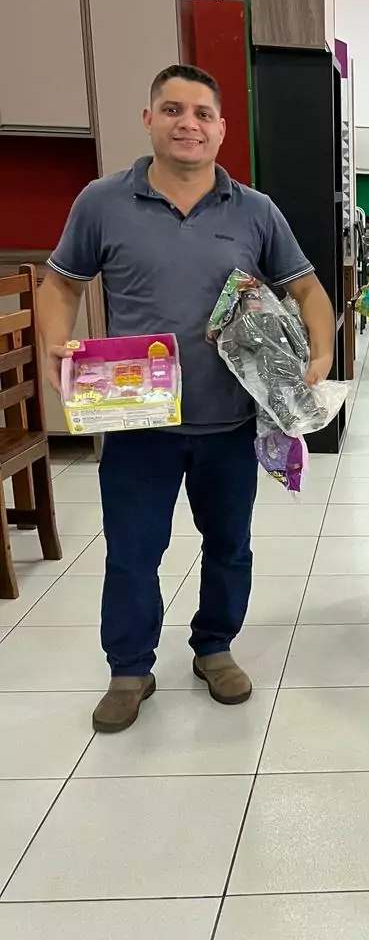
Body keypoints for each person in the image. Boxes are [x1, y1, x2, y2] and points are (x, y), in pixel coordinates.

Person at [38, 64, 335, 732]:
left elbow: (308, 289)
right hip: (138, 419)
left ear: (221, 129)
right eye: (173, 110)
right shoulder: (102, 202)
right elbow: (60, 284)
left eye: (202, 113)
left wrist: (319, 355)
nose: (188, 124)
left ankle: (215, 648)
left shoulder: (255, 211)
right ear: (149, 120)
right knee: (133, 551)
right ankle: (128, 668)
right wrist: (58, 351)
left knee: (229, 544)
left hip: (229, 418)